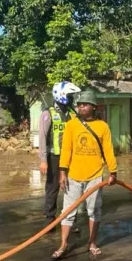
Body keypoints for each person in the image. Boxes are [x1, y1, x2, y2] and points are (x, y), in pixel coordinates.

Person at [53, 89, 117, 259]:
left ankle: (92, 242)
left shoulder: (102, 127)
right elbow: (66, 150)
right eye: (79, 105)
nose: (81, 107)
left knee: (94, 211)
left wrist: (113, 171)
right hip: (73, 176)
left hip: (95, 176)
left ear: (93, 107)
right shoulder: (71, 125)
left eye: (85, 104)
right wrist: (62, 173)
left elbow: (108, 151)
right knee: (68, 211)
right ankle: (63, 244)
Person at [39, 81, 81, 230]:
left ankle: (70, 219)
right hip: (54, 156)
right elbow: (43, 138)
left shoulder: (72, 113)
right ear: (62, 95)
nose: (72, 98)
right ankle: (50, 219)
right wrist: (43, 160)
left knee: (72, 188)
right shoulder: (48, 113)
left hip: (71, 157)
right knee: (52, 188)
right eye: (69, 96)